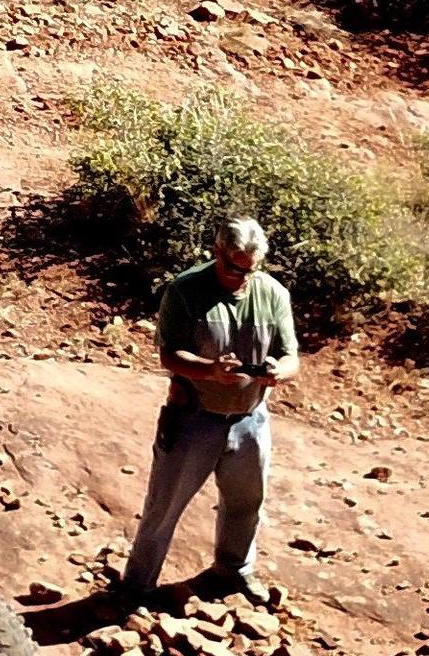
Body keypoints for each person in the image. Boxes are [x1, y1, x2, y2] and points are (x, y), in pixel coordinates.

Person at [121, 215, 300, 604]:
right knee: (164, 505)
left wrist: (277, 372)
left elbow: (291, 357)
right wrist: (210, 372)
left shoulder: (272, 294)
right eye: (235, 267)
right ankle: (137, 586)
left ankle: (233, 569)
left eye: (250, 269)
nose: (243, 277)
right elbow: (169, 354)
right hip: (194, 418)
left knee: (246, 502)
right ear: (217, 253)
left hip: (251, 419)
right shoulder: (185, 291)